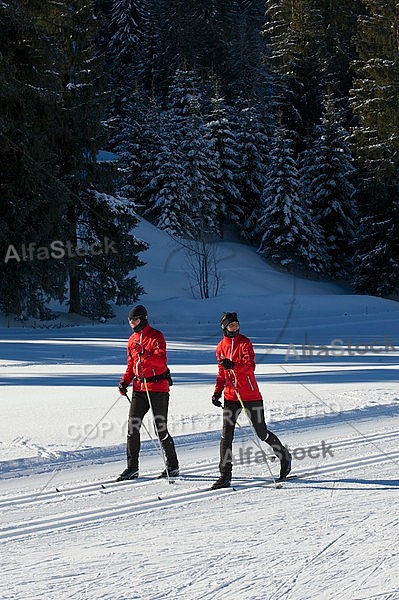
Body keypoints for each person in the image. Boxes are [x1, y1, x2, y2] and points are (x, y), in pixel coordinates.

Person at [211, 311, 292, 490]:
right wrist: (217, 393)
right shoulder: (220, 347)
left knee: (261, 433)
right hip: (231, 396)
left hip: (250, 395)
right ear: (224, 327)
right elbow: (221, 374)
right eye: (231, 325)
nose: (235, 327)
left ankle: (284, 456)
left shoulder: (245, 342)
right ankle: (225, 475)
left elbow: (250, 367)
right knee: (226, 437)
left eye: (237, 324)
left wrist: (234, 365)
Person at [117, 305, 179, 481]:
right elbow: (131, 366)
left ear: (143, 319)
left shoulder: (156, 336)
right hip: (139, 388)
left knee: (160, 428)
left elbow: (161, 361)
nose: (132, 323)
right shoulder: (131, 340)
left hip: (158, 387)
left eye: (135, 320)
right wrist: (124, 382)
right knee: (132, 427)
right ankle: (132, 468)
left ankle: (173, 466)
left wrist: (144, 353)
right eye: (130, 321)